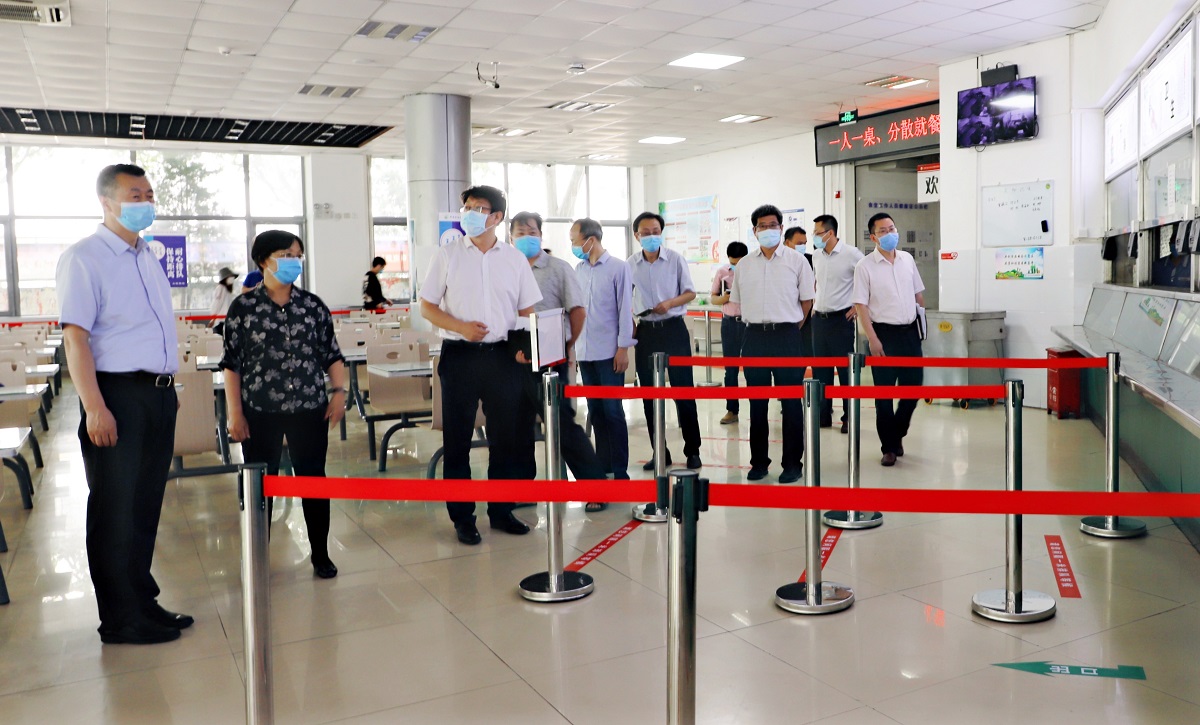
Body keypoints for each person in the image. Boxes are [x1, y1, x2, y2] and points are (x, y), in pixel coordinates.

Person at [57, 163, 188, 645]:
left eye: (150, 194)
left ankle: (142, 601)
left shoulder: (147, 256)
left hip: (158, 394)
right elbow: (76, 339)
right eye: (135, 195)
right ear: (107, 202)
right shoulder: (85, 257)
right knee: (115, 509)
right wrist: (94, 406)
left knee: (145, 505)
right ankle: (119, 618)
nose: (146, 202)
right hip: (116, 395)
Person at [222, 230, 348, 578]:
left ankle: (320, 554)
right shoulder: (243, 309)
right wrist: (235, 413)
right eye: (285, 254)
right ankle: (256, 557)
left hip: (309, 409)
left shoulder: (312, 306)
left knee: (313, 480)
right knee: (260, 487)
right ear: (264, 260)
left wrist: (339, 393)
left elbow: (332, 355)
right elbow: (231, 364)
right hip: (260, 412)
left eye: (297, 255)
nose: (294, 261)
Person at [420, 185, 542, 545]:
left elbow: (527, 310)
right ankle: (463, 518)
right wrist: (460, 327)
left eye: (479, 208)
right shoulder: (448, 254)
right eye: (467, 207)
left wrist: (522, 348)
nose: (470, 214)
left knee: (505, 439)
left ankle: (501, 511)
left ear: (496, 217)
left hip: (504, 358)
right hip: (460, 355)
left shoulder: (514, 259)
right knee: (457, 440)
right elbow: (427, 306)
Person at [510, 212, 607, 510]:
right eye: (520, 232)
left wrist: (565, 345)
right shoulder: (505, 267)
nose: (527, 237)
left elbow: (577, 311)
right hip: (511, 355)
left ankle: (596, 488)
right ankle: (522, 491)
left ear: (541, 235)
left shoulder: (558, 268)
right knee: (516, 425)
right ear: (511, 237)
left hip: (550, 356)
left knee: (561, 424)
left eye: (532, 232)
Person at [731, 204, 814, 484]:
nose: (768, 230)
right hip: (754, 336)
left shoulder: (797, 261)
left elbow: (807, 302)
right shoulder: (744, 264)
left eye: (773, 225)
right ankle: (759, 463)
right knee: (757, 404)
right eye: (762, 226)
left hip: (787, 336)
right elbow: (738, 301)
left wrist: (790, 328)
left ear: (781, 227)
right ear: (754, 231)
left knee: (791, 403)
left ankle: (792, 464)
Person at [628, 211, 702, 471]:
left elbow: (690, 293)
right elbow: (624, 298)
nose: (651, 236)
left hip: (673, 329)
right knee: (650, 395)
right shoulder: (630, 264)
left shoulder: (675, 260)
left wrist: (670, 303)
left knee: (683, 392)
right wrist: (630, 324)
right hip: (646, 332)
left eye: (656, 232)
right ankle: (660, 451)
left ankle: (693, 450)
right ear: (636, 235)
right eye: (646, 233)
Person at [852, 212, 925, 467]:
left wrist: (921, 324)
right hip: (883, 335)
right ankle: (889, 448)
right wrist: (872, 339)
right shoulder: (864, 266)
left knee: (913, 388)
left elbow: (918, 294)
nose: (889, 234)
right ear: (873, 237)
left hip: (910, 333)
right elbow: (861, 305)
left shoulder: (907, 259)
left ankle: (897, 433)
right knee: (884, 395)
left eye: (892, 228)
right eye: (883, 231)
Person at [573, 217, 636, 482]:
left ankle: (619, 470)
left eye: (575, 240)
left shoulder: (619, 268)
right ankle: (604, 466)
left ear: (591, 239)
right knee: (596, 411)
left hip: (609, 353)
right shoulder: (578, 269)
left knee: (613, 411)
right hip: (585, 353)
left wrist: (623, 348)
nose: (573, 245)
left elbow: (624, 310)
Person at [809, 214, 863, 433]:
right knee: (820, 372)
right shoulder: (816, 256)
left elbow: (868, 279)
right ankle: (822, 415)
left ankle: (849, 417)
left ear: (830, 233)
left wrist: (858, 306)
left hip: (841, 320)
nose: (814, 236)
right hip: (818, 320)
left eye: (817, 232)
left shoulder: (852, 254)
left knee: (844, 371)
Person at [710, 241, 747, 425]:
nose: (735, 267)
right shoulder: (722, 272)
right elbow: (713, 298)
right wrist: (724, 298)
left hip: (750, 325)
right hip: (730, 323)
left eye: (738, 263)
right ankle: (732, 410)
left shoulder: (754, 272)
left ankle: (757, 410)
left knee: (753, 369)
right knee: (730, 370)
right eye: (732, 263)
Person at [784, 226, 816, 359]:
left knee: (808, 354)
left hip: (807, 318)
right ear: (787, 242)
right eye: (799, 243)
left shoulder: (811, 260)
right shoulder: (778, 261)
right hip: (785, 317)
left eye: (804, 243)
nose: (802, 247)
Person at [209, 266, 237, 336]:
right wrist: (213, 319)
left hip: (225, 320)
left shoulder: (227, 290)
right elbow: (217, 304)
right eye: (230, 276)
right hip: (221, 321)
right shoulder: (221, 288)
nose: (232, 278)